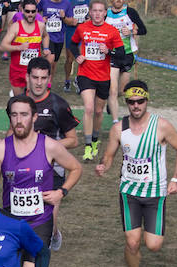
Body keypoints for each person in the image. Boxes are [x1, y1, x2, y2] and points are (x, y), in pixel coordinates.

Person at [0, 94, 82, 267]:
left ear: (33, 117)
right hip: (10, 221)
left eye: (24, 115)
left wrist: (61, 192)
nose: (19, 120)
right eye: (14, 115)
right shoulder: (2, 148)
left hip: (39, 220)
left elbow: (76, 168)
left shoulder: (49, 146)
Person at [95, 80, 177, 267]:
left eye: (140, 101)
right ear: (126, 103)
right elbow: (109, 154)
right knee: (133, 241)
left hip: (155, 193)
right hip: (129, 193)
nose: (136, 106)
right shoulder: (119, 128)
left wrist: (175, 179)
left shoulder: (161, 125)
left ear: (147, 100)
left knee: (153, 245)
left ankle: (140, 245)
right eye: (132, 102)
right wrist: (103, 165)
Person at [18, 56, 80, 251]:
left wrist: (45, 146)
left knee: (48, 222)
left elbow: (73, 139)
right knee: (24, 214)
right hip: (24, 167)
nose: (38, 82)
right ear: (27, 77)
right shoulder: (19, 102)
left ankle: (53, 234)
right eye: (35, 77)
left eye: (43, 78)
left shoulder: (58, 105)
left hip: (52, 169)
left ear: (49, 78)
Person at [71, 0, 124, 162]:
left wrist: (109, 51)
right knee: (88, 108)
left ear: (105, 13)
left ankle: (94, 140)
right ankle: (87, 146)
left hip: (103, 77)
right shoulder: (82, 28)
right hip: (85, 74)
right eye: (94, 11)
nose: (97, 14)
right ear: (90, 12)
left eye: (100, 11)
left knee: (99, 111)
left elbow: (121, 54)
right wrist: (77, 55)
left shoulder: (112, 31)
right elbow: (72, 44)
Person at [105, 0, 147, 123]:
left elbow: (143, 30)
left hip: (127, 54)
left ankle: (111, 101)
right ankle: (115, 121)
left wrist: (132, 32)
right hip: (112, 54)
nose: (118, 1)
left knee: (122, 91)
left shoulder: (130, 12)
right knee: (112, 91)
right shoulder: (105, 13)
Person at [0, 0, 49, 95]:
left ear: (37, 11)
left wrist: (46, 48)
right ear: (22, 11)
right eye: (27, 11)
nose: (30, 14)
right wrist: (19, 47)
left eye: (33, 11)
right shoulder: (16, 27)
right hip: (17, 70)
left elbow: (46, 36)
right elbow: (2, 46)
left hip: (34, 70)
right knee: (19, 101)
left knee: (33, 100)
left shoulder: (40, 26)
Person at [37, 0, 71, 85]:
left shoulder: (66, 3)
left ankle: (49, 83)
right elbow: (34, 11)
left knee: (54, 63)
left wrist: (64, 17)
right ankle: (43, 83)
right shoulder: (44, 1)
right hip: (47, 36)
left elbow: (71, 20)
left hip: (59, 37)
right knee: (50, 59)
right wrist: (40, 19)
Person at [62, 0, 89, 93]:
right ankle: (67, 80)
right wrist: (68, 20)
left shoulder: (88, 1)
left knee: (82, 58)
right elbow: (63, 16)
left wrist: (89, 20)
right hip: (72, 31)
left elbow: (94, 12)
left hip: (85, 30)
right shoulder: (68, 1)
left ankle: (78, 80)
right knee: (70, 59)